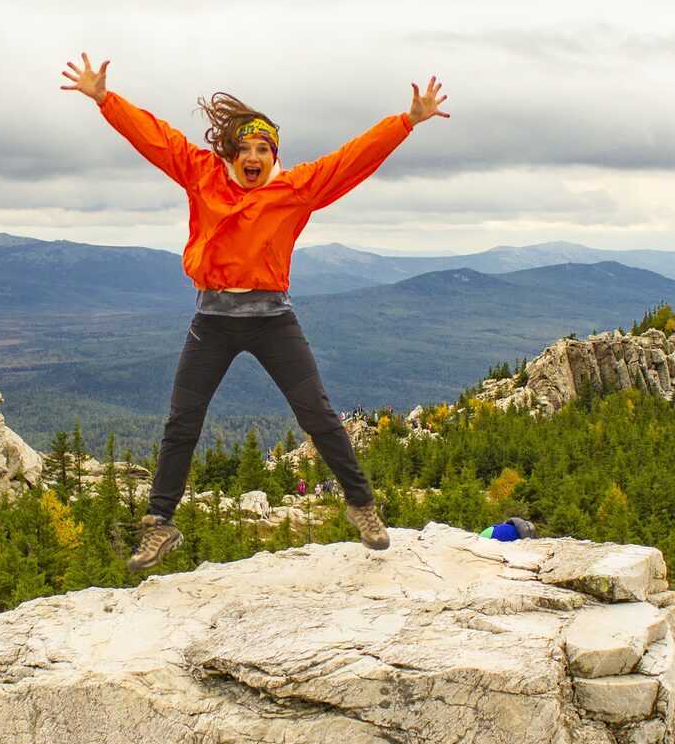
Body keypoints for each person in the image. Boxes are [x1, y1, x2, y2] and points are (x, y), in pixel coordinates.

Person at [60, 53, 449, 571]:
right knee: (183, 421)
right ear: (229, 154)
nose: (252, 156)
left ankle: (362, 506)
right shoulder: (203, 176)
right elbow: (158, 138)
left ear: (273, 155)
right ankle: (160, 525)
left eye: (262, 148)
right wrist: (106, 100)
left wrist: (407, 121)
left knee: (318, 415)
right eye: (242, 148)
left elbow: (352, 158)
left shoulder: (297, 189)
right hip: (213, 320)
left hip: (273, 320)